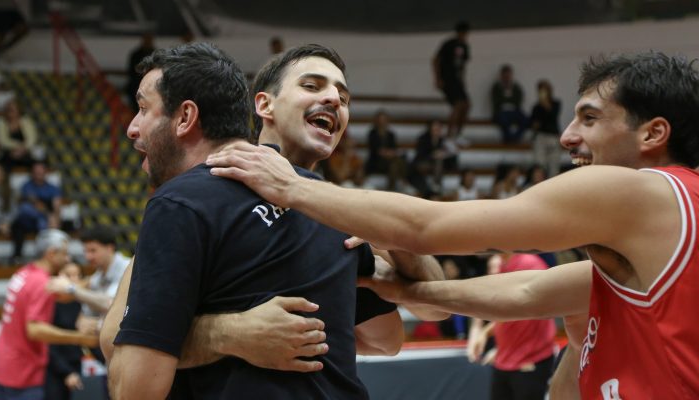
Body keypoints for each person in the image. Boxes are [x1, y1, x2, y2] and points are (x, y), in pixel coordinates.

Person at [205, 52, 699, 398]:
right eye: (313, 86)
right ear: (263, 105)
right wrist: (407, 291)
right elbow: (524, 293)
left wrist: (292, 187)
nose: (567, 137)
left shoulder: (641, 191)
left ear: (653, 134)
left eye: (589, 119)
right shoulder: (639, 251)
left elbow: (428, 226)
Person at [101, 43, 406, 399]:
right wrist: (234, 332)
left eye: (142, 109)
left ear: (185, 117)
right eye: (311, 85)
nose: (132, 128)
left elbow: (130, 376)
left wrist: (217, 334)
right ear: (261, 106)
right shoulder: (329, 203)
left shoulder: (181, 202)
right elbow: (387, 339)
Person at [0, 229, 97, 400]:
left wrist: (93, 281)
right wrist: (80, 338)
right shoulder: (40, 283)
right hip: (23, 372)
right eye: (64, 254)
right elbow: (35, 330)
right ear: (51, 253)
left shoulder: (25, 273)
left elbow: (61, 294)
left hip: (5, 364)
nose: (67, 259)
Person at [467, 253, 557, 400]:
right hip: (504, 362)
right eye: (490, 267)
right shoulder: (503, 267)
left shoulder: (529, 263)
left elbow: (530, 310)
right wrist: (485, 333)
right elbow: (507, 316)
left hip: (530, 361)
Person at [46, 227, 130, 338]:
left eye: (93, 251)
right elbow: (86, 312)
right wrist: (82, 322)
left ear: (110, 248)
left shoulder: (128, 268)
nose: (88, 256)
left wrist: (71, 288)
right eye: (85, 251)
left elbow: (111, 304)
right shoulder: (97, 276)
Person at [45, 260, 86, 400]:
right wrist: (66, 372)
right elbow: (47, 343)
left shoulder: (81, 302)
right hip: (54, 368)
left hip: (74, 364)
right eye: (69, 275)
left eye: (78, 275)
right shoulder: (51, 302)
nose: (74, 279)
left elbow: (85, 337)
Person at [10, 161, 62, 264]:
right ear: (32, 173)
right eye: (36, 171)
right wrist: (48, 215)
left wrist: (56, 219)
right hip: (29, 219)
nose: (39, 173)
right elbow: (34, 204)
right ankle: (18, 256)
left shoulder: (52, 188)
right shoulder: (27, 186)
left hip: (45, 220)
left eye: (41, 171)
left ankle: (46, 255)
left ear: (46, 172)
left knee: (43, 223)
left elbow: (57, 206)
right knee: (24, 210)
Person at [432, 20, 471, 146]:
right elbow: (436, 60)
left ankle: (458, 134)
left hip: (457, 80)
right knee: (457, 105)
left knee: (467, 105)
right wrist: (438, 78)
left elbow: (463, 66)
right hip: (447, 79)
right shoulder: (449, 44)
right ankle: (449, 137)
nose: (464, 36)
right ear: (458, 32)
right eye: (462, 33)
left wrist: (463, 81)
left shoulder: (465, 46)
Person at [408, 119, 457, 198]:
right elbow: (420, 154)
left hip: (436, 164)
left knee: (439, 161)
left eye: (438, 128)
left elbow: (452, 152)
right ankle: (436, 185)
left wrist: (443, 154)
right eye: (435, 128)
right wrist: (432, 155)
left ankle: (436, 185)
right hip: (422, 162)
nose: (436, 130)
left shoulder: (443, 140)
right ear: (430, 128)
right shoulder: (423, 138)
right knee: (437, 160)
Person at [364, 110, 407, 191]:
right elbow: (376, 151)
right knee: (397, 163)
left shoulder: (391, 134)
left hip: (390, 162)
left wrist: (390, 153)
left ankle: (392, 187)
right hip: (377, 162)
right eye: (380, 120)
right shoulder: (372, 134)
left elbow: (394, 149)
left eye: (384, 120)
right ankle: (403, 181)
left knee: (394, 165)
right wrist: (388, 153)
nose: (382, 122)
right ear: (376, 121)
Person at [0, 98, 42, 171]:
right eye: (8, 109)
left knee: (37, 163)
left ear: (19, 110)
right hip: (8, 153)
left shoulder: (27, 122)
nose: (10, 111)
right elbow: (2, 141)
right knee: (3, 163)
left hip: (26, 152)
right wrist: (17, 147)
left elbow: (31, 140)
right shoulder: (2, 123)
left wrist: (23, 149)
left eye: (13, 109)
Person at [530, 79, 563, 177]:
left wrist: (545, 103)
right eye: (540, 90)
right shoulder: (536, 107)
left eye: (545, 90)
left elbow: (553, 115)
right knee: (540, 165)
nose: (543, 93)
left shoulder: (556, 104)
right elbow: (534, 125)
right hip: (541, 137)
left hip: (553, 136)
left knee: (554, 167)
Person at [491, 64, 529, 144]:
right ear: (501, 76)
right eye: (505, 75)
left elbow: (518, 101)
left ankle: (515, 137)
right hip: (501, 112)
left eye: (508, 75)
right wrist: (508, 100)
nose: (507, 77)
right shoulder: (496, 87)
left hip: (514, 111)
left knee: (525, 119)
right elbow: (497, 102)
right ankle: (508, 139)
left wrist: (506, 100)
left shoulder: (516, 87)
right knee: (503, 120)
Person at [125, 33, 156, 110]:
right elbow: (132, 71)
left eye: (149, 40)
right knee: (135, 108)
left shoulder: (156, 53)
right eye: (146, 39)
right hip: (136, 85)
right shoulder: (136, 54)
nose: (148, 42)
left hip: (152, 86)